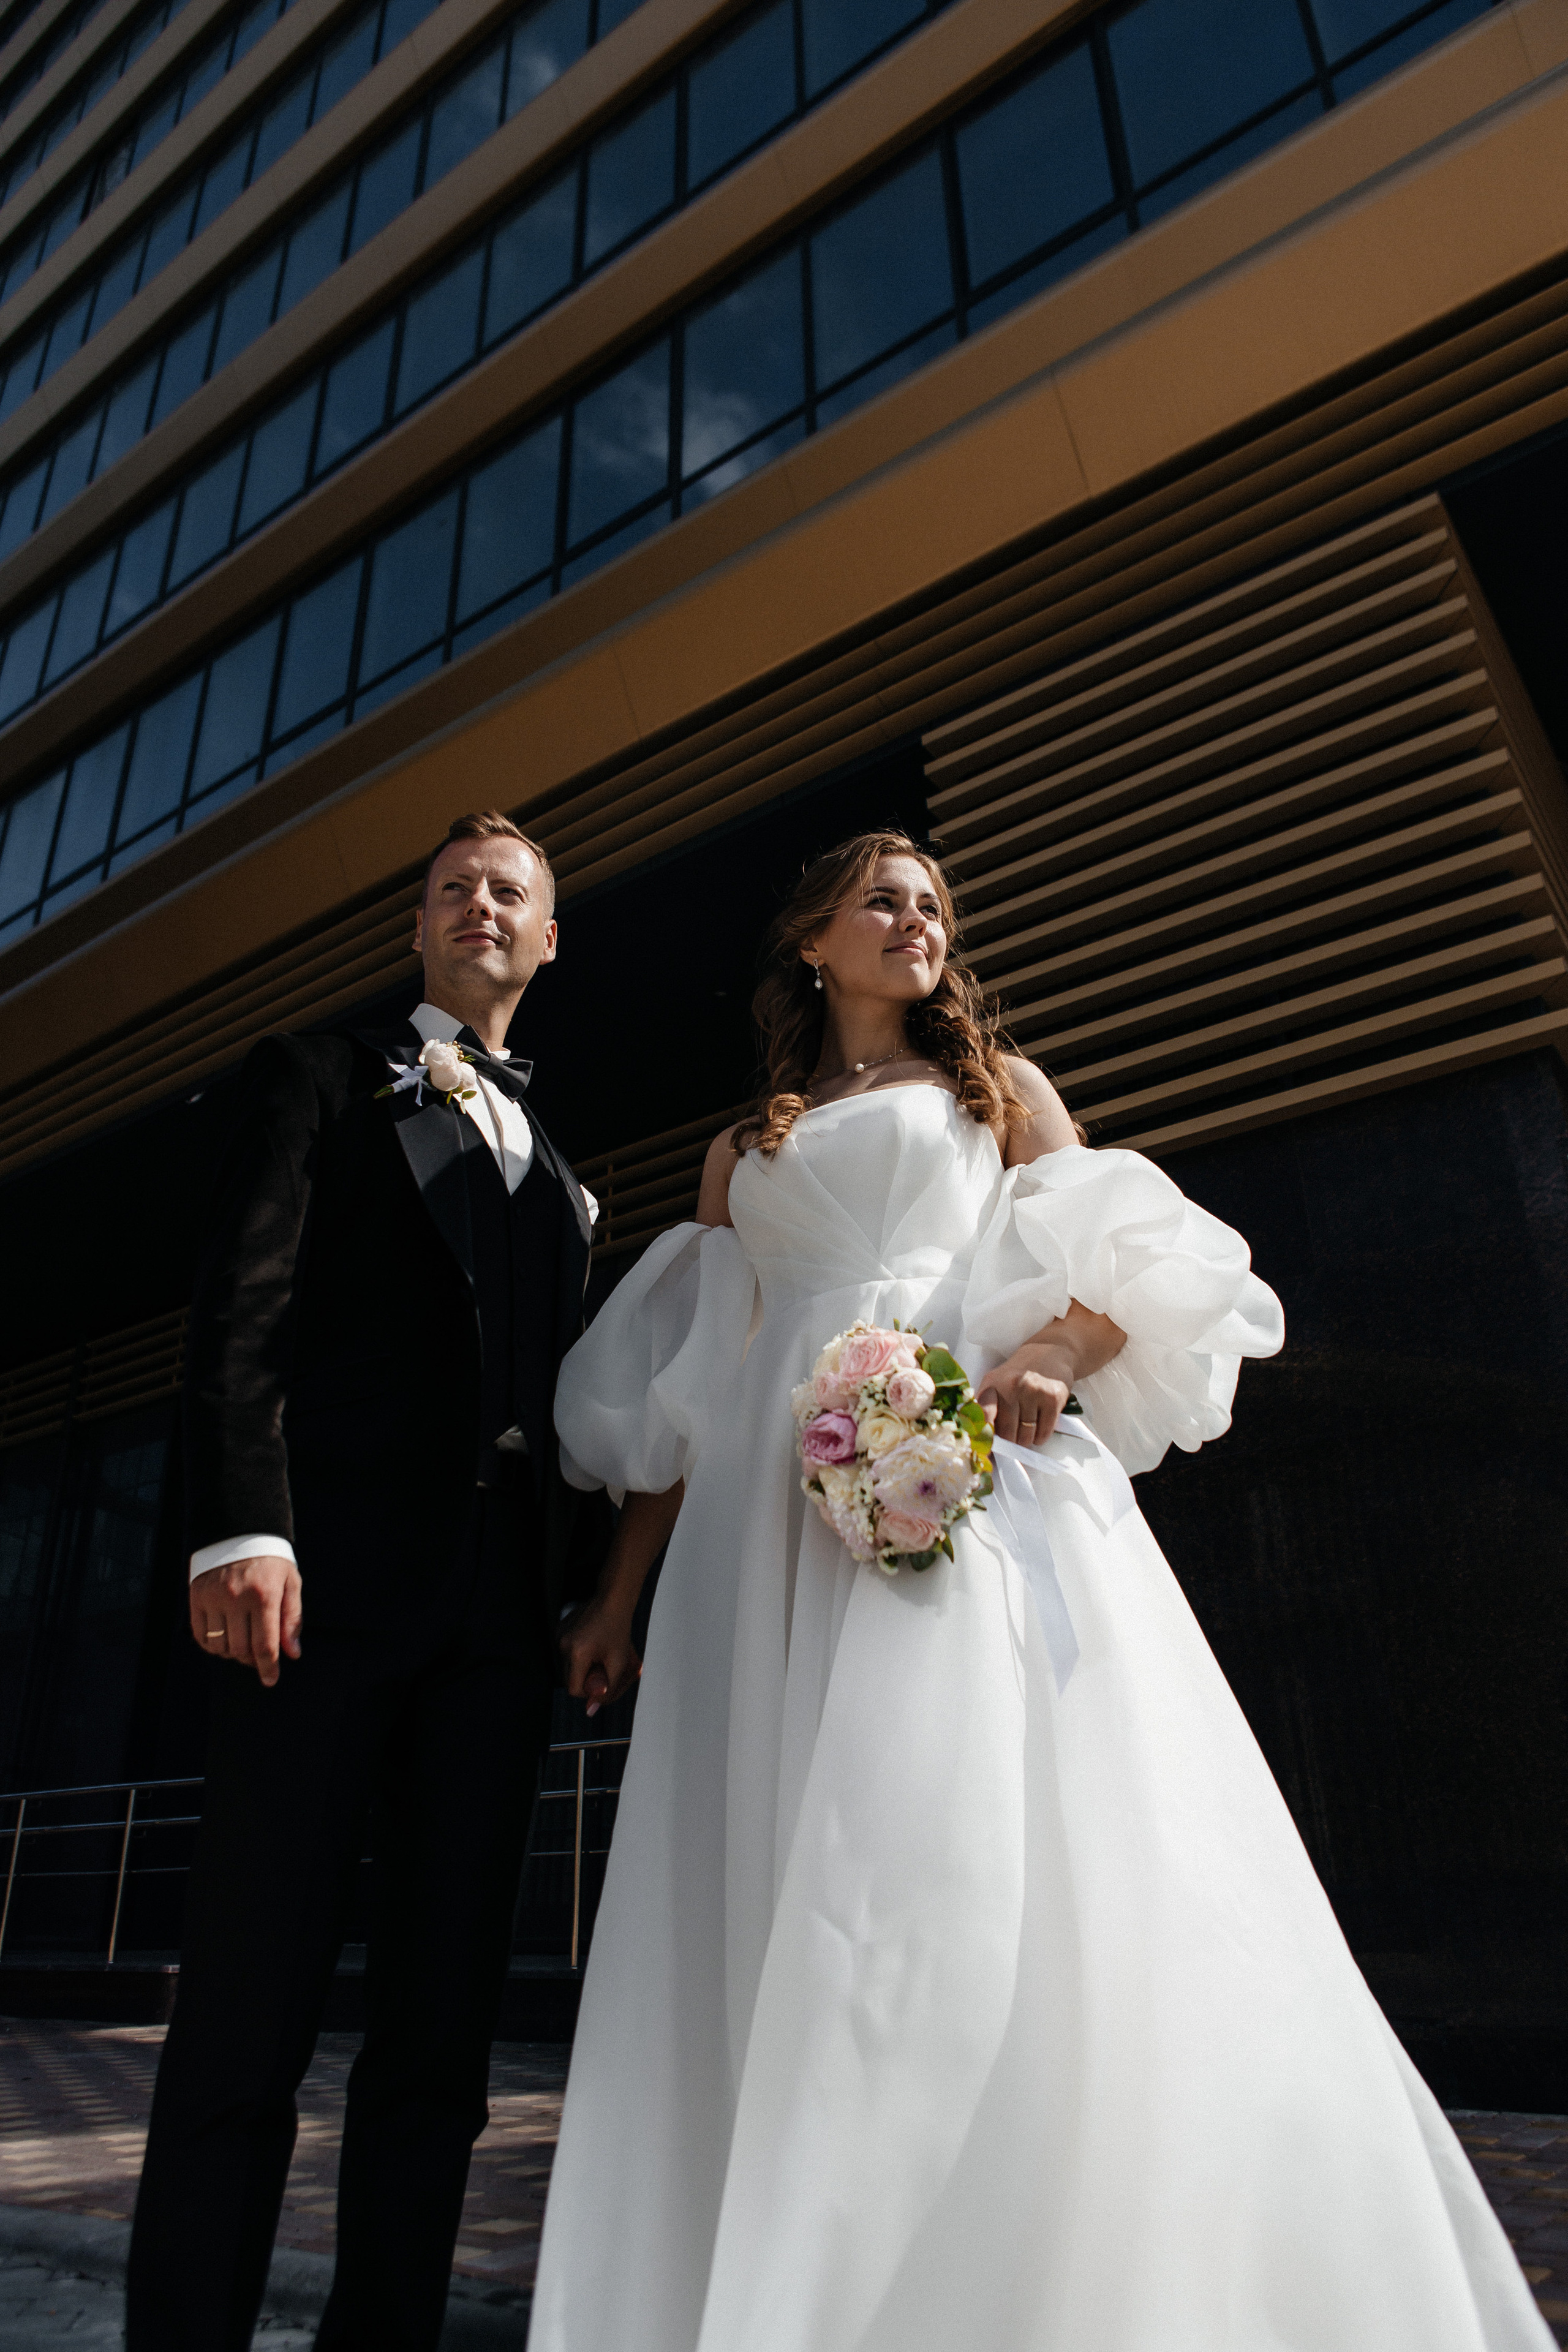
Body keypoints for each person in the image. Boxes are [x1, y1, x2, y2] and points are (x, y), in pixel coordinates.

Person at [537, 830, 1552, 2352]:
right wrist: (617, 1597)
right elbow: (697, 1394)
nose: (917, 920)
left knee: (943, 1845)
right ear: (813, 941)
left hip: (962, 1482)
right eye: (885, 899)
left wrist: (1039, 1360)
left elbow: (1118, 1271)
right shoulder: (742, 1147)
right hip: (768, 1534)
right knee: (772, 1860)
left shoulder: (995, 1095)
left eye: (934, 903)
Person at [125, 811, 646, 2352]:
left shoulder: (562, 1170)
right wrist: (243, 1527)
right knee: (246, 2012)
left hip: (494, 1639)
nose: (481, 906)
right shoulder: (318, 1077)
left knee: (439, 2038)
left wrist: (586, 1600)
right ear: (418, 931)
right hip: (320, 1605)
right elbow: (244, 1314)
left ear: (548, 941)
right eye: (453, 890)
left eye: (511, 893)